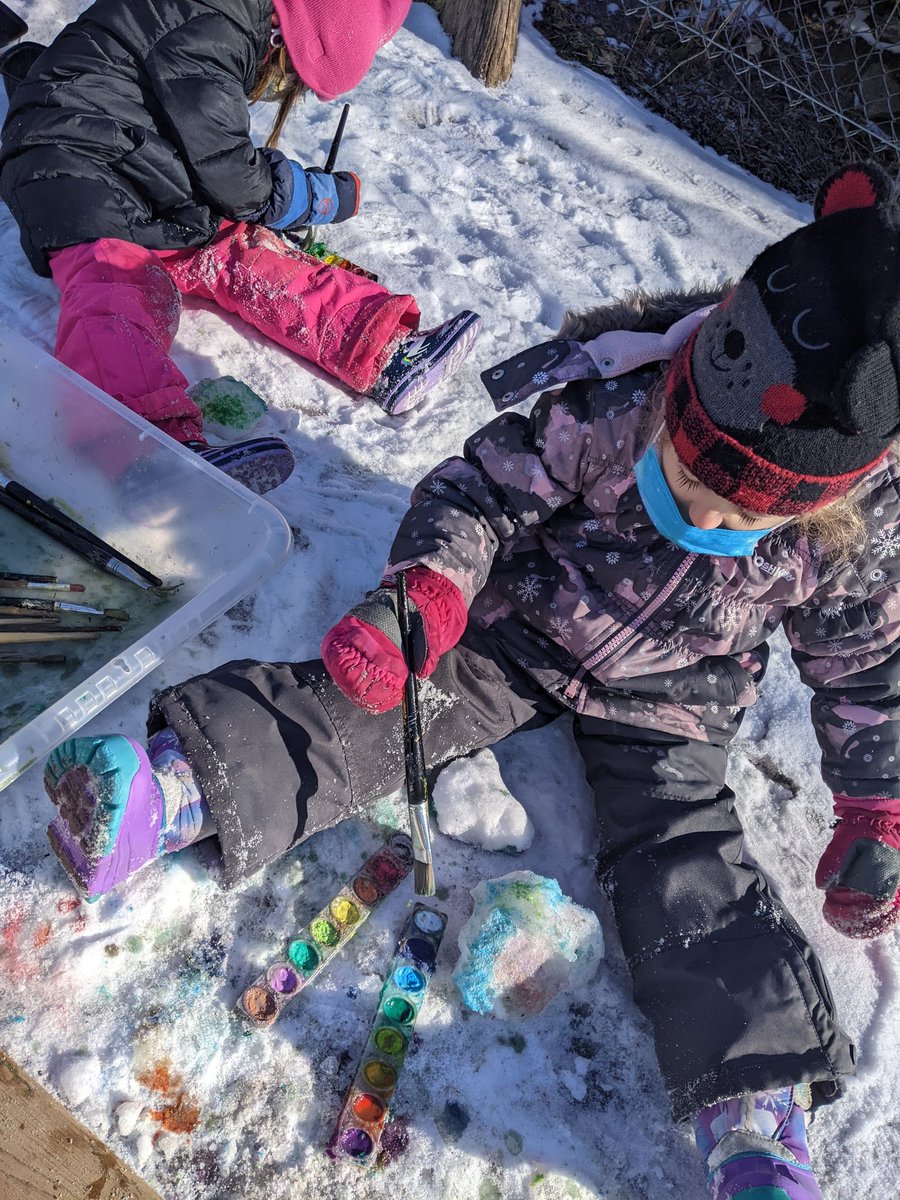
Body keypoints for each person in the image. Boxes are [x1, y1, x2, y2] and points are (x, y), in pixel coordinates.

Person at [42, 162, 900, 1200]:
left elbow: (865, 668)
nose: (706, 517)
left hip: (675, 703)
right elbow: (480, 493)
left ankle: (753, 1114)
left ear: (820, 507)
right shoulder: (622, 402)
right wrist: (426, 597)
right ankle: (169, 788)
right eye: (686, 482)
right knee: (370, 712)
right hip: (517, 631)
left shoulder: (849, 541)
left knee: (693, 865)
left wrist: (872, 805)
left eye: (735, 518)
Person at [0, 0, 481, 495]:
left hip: (145, 161)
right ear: (283, 34)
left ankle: (380, 347)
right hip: (69, 160)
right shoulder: (212, 19)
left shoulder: (229, 24)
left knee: (237, 248)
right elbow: (230, 171)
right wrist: (307, 196)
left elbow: (212, 153)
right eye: (289, 73)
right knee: (117, 284)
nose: (276, 88)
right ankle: (143, 442)